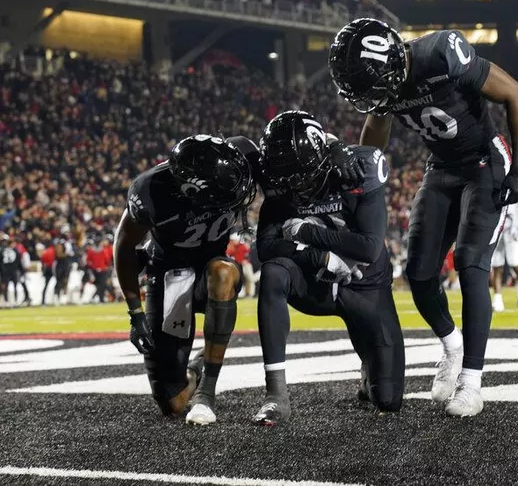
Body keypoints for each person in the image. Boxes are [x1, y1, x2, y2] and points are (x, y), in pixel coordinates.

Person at [329, 18, 518, 417]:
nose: (372, 97)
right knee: (419, 275)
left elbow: (515, 94)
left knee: (471, 263)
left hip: (484, 162)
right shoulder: (385, 83)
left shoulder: (440, 51)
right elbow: (375, 131)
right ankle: (453, 347)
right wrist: (361, 174)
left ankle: (472, 383)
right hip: (440, 168)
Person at [252, 110, 404, 426]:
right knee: (274, 273)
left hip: (364, 283)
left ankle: (368, 365)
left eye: (302, 175)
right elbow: (266, 249)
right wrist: (319, 258)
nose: (294, 186)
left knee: (388, 401)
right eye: (285, 178)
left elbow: (368, 247)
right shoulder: (277, 176)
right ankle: (276, 395)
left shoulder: (357, 167)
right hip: (315, 283)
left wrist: (305, 232)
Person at [114, 134, 257, 424]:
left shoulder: (239, 158)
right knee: (173, 404)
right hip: (168, 276)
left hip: (209, 271)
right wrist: (134, 312)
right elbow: (124, 244)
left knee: (223, 272)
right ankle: (197, 367)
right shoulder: (152, 190)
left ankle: (207, 393)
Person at [489, 201, 518, 313]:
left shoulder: (515, 185)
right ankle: (498, 300)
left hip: (512, 225)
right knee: (496, 266)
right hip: (497, 225)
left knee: (514, 262)